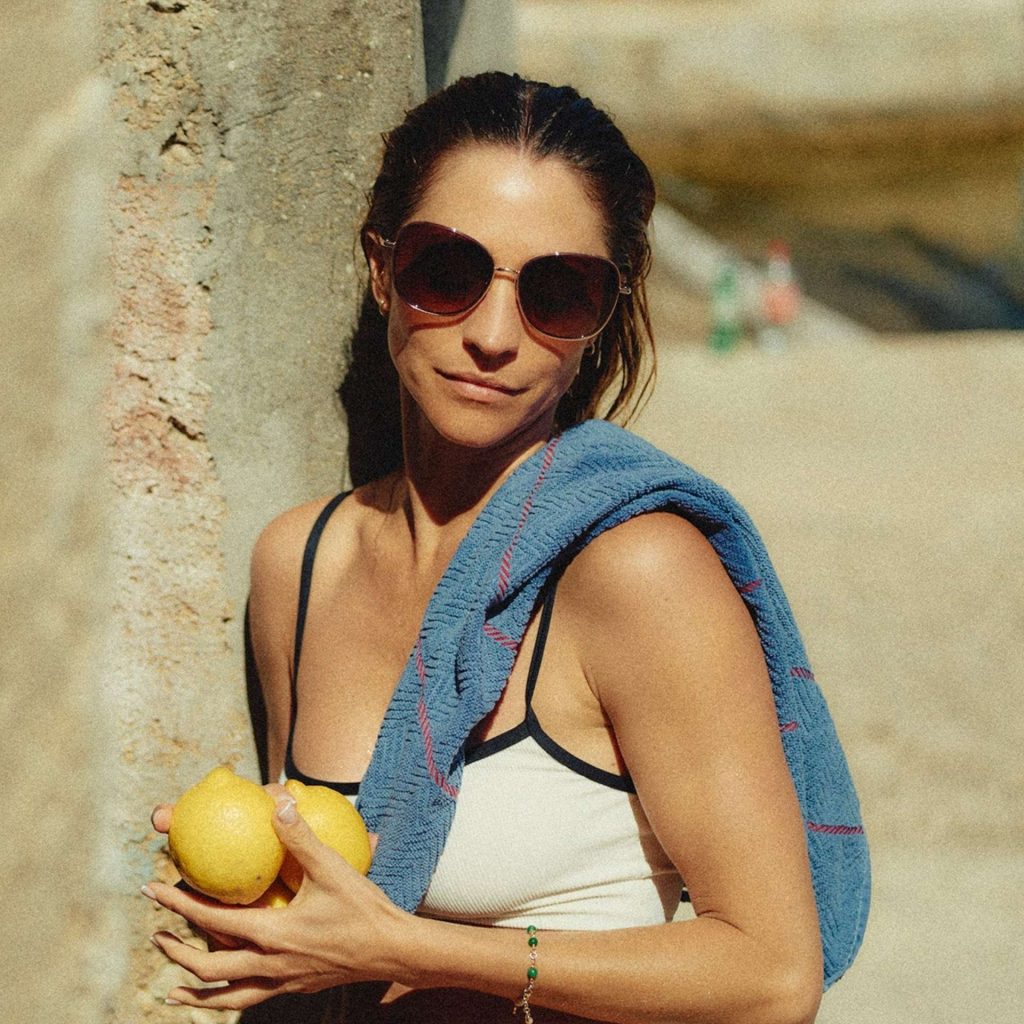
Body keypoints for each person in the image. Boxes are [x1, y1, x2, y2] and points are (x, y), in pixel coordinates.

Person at [145, 72, 867, 1024]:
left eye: (557, 292)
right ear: (381, 269)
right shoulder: (301, 564)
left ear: (603, 315)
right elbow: (321, 923)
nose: (492, 336)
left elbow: (773, 975)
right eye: (447, 270)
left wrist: (404, 947)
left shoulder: (637, 571)